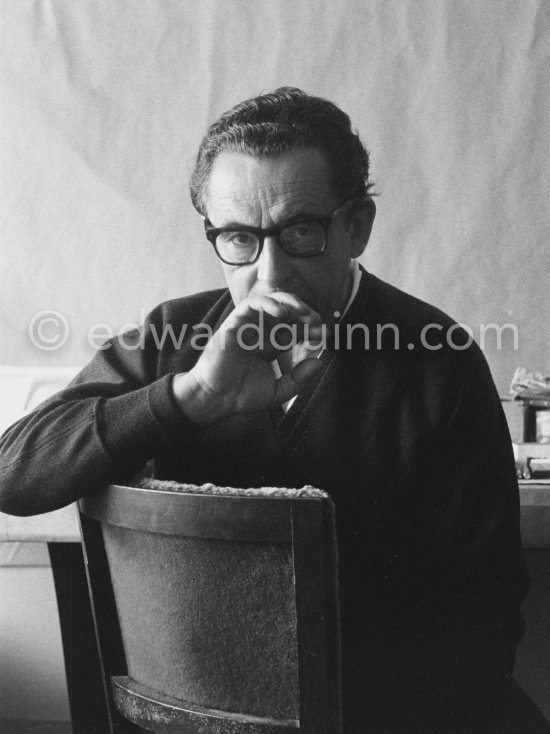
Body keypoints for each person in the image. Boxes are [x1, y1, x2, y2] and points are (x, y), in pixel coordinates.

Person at [0, 87, 548, 733]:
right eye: (238, 236)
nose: (270, 275)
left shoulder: (439, 360)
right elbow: (14, 472)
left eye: (300, 232)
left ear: (356, 227)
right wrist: (190, 398)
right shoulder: (171, 337)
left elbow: (480, 616)